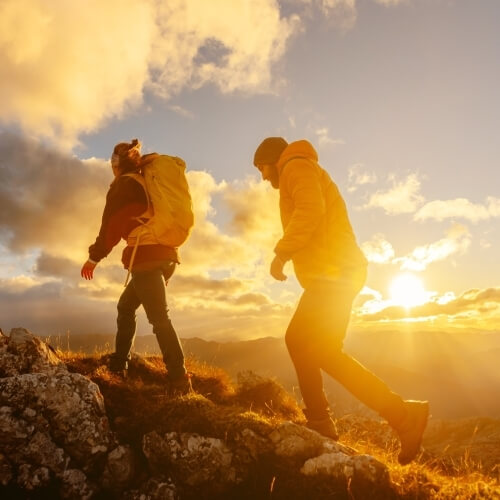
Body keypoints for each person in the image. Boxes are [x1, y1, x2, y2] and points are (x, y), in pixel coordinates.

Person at [253, 137, 429, 465]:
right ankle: (402, 416)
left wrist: (281, 253)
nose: (263, 177)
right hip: (337, 273)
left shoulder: (294, 166)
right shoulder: (300, 166)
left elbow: (310, 209)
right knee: (321, 350)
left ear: (272, 159)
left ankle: (325, 419)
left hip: (335, 274)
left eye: (261, 167)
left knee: (300, 341)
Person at [81, 139, 192, 395]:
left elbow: (111, 225)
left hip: (146, 257)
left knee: (159, 319)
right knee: (126, 306)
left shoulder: (124, 185)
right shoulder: (145, 181)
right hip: (165, 255)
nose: (111, 163)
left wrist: (94, 257)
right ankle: (119, 364)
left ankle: (179, 378)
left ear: (116, 163)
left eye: (112, 159)